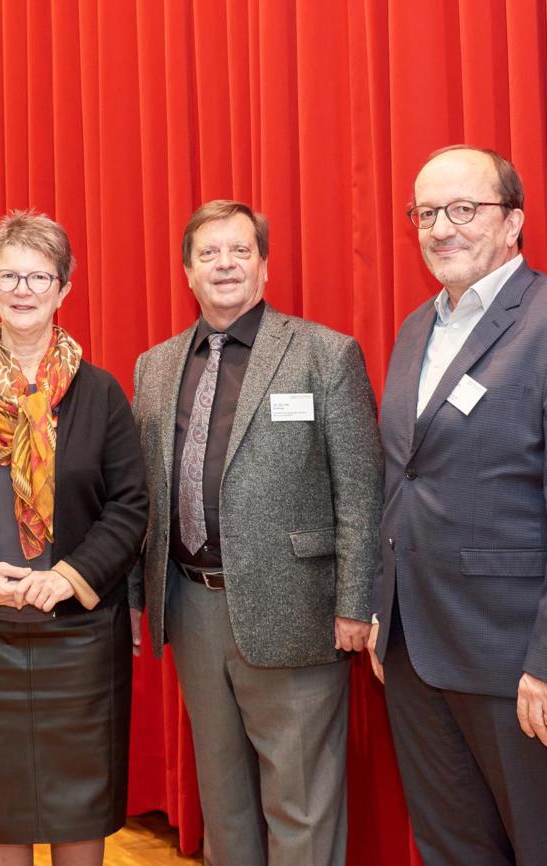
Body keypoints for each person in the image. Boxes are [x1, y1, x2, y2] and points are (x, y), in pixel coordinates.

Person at [368, 145, 547, 866]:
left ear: (513, 222)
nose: (441, 228)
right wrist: (381, 607)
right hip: (416, 653)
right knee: (451, 849)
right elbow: (402, 480)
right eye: (426, 212)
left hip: (520, 664)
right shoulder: (417, 329)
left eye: (464, 209)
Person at [128, 199, 382, 866]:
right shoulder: (155, 367)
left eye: (240, 251)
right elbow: (141, 497)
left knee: (301, 806)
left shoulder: (324, 354)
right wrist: (136, 599)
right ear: (187, 272)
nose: (225, 265)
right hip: (190, 607)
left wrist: (355, 603)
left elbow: (360, 490)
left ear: (264, 266)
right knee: (223, 801)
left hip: (297, 611)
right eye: (208, 253)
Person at [0, 211, 148, 866]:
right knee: (0, 809)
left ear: (64, 289)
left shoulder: (101, 394)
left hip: (81, 638)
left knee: (80, 810)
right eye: (10, 275)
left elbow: (130, 507)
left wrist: (69, 577)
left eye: (39, 276)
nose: (23, 289)